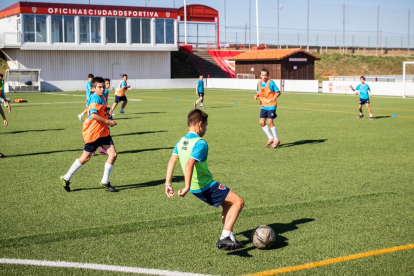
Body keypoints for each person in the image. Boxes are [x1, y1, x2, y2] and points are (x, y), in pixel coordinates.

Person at [165, 109, 245, 251]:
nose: (206, 129)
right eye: (206, 126)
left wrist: (168, 183)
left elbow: (172, 161)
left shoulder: (181, 141)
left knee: (228, 205)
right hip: (204, 185)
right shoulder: (200, 143)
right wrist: (186, 186)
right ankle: (225, 237)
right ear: (199, 124)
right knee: (238, 201)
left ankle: (229, 236)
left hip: (197, 188)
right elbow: (190, 163)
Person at [60, 77, 118, 192]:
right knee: (85, 158)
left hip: (103, 133)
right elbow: (94, 115)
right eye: (99, 87)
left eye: (103, 87)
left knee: (113, 154)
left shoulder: (102, 97)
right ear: (93, 88)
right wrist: (108, 122)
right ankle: (66, 178)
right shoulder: (95, 98)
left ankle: (104, 181)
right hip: (94, 133)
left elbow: (101, 112)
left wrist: (107, 114)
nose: (102, 89)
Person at [254, 68, 281, 149]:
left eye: (265, 75)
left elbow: (278, 92)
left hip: (271, 105)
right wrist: (256, 95)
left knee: (270, 122)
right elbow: (259, 92)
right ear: (260, 75)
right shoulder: (258, 83)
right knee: (261, 123)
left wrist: (274, 98)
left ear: (267, 75)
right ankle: (270, 137)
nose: (264, 77)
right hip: (263, 105)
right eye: (262, 75)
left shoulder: (271, 83)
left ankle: (276, 139)